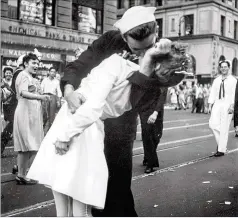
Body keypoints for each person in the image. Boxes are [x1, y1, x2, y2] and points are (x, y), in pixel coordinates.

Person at [27, 39, 187, 216]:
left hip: (87, 125)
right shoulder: (120, 64)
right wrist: (70, 92)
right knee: (71, 192)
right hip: (82, 123)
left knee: (74, 195)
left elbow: (100, 106)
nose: (164, 72)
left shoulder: (137, 77)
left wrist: (66, 134)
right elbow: (91, 96)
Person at [59, 6, 185, 217]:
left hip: (123, 121)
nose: (142, 53)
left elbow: (148, 95)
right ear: (124, 37)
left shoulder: (161, 52)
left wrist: (157, 59)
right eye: (136, 50)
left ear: (156, 33)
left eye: (148, 46)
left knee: (117, 180)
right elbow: (80, 65)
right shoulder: (109, 40)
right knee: (84, 180)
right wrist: (69, 88)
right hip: (92, 117)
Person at [13, 53, 50, 185]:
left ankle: (21, 171)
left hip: (31, 113)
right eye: (33, 63)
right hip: (25, 113)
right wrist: (40, 97)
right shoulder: (23, 75)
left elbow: (32, 92)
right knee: (26, 145)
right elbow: (23, 93)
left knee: (31, 145)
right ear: (25, 64)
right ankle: (21, 174)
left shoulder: (30, 77)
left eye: (37, 63)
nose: (36, 65)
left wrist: (39, 92)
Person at [208, 60, 237, 157]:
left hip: (227, 104)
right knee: (212, 124)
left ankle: (221, 150)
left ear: (229, 68)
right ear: (220, 68)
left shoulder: (233, 80)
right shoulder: (217, 80)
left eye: (225, 67)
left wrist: (232, 106)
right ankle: (222, 145)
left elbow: (234, 94)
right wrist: (210, 104)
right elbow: (213, 92)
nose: (223, 68)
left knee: (224, 127)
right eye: (222, 67)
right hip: (217, 103)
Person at [139, 87, 167, 173]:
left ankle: (147, 157)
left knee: (156, 136)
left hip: (157, 111)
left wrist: (155, 113)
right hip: (145, 110)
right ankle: (151, 164)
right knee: (147, 134)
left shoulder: (162, 78)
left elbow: (162, 96)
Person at [41, 67, 62, 133]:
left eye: (54, 72)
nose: (52, 73)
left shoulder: (56, 81)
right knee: (44, 114)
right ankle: (42, 130)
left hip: (53, 97)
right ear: (49, 72)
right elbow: (41, 89)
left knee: (51, 115)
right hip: (45, 96)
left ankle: (49, 132)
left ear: (55, 73)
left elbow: (58, 91)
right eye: (51, 71)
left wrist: (58, 100)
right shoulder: (45, 80)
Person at [1, 66, 14, 156]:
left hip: (13, 105)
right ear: (4, 74)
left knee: (10, 123)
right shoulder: (2, 82)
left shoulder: (13, 82)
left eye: (10, 73)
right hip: (5, 105)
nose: (8, 74)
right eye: (7, 73)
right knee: (7, 123)